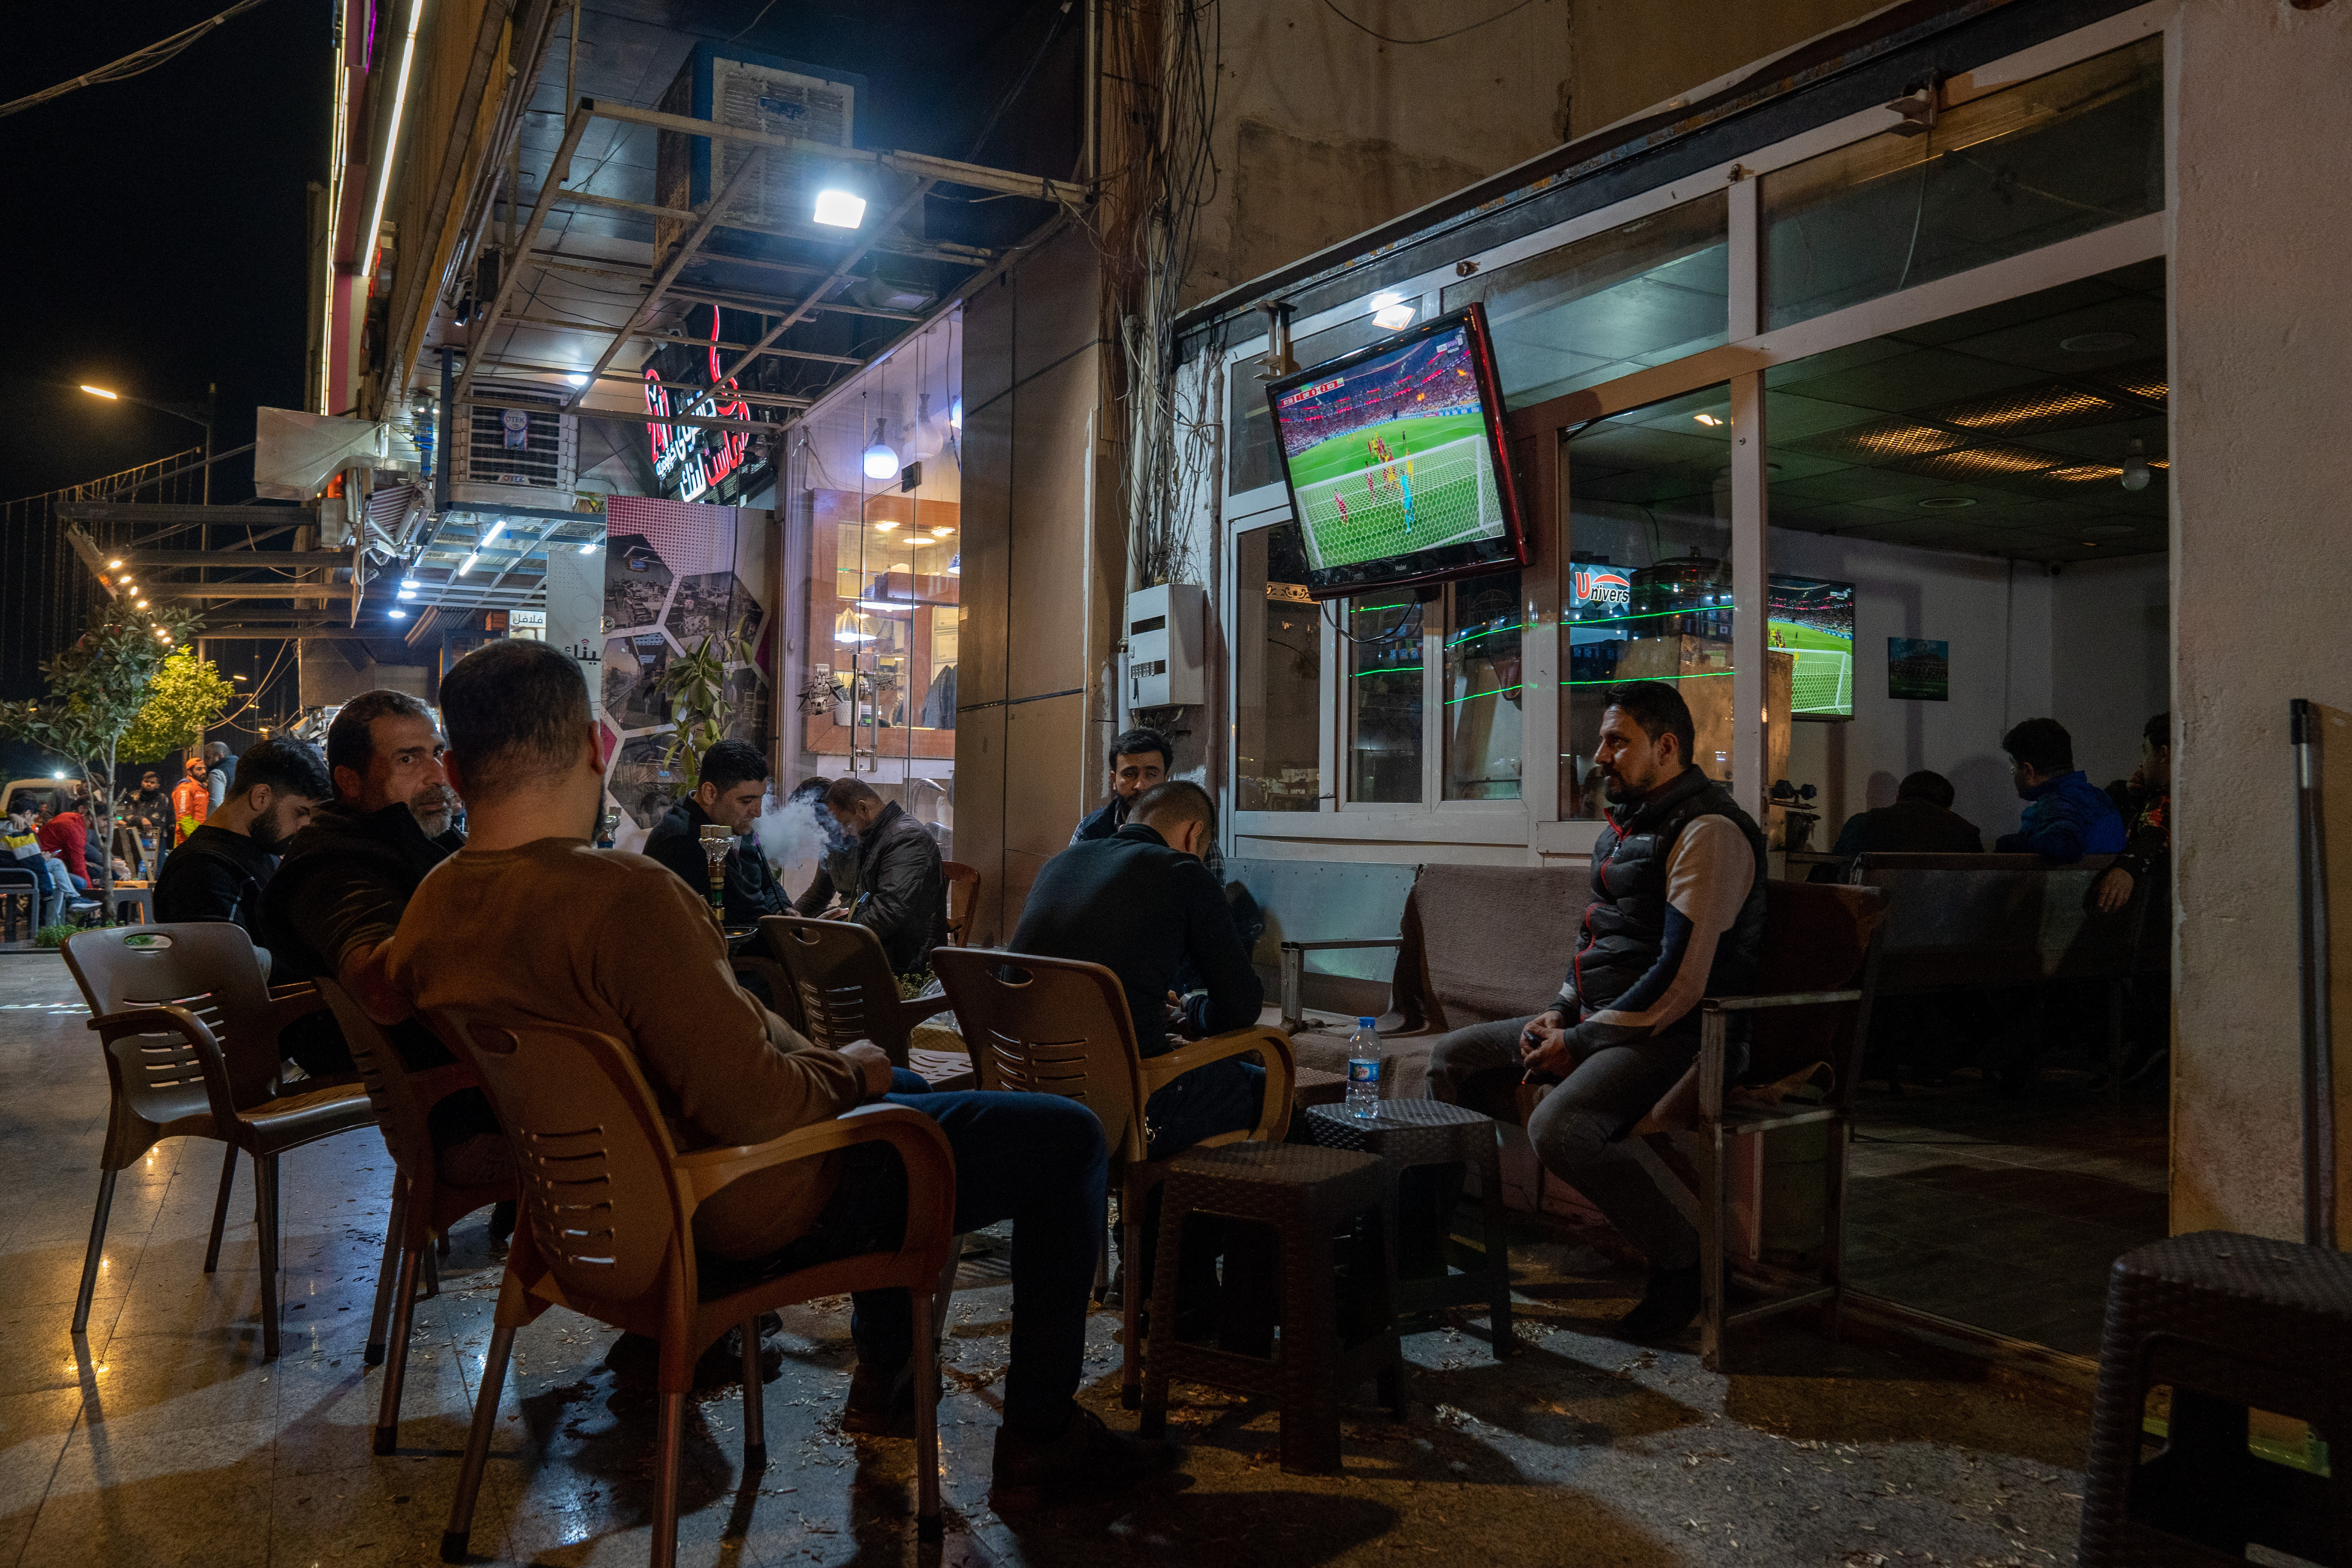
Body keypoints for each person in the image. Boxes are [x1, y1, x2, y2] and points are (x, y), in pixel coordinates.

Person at [385, 639, 1167, 1506]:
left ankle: (890, 1379)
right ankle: (1041, 1438)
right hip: (741, 1205)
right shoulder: (625, 897)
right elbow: (757, 1106)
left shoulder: (433, 907)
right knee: (1067, 1136)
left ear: (454, 770)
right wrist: (850, 1077)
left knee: (907, 1092)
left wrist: (852, 1074)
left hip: (592, 1219)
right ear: (594, 749)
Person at [1427, 681, 1768, 1340]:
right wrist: (1560, 1011)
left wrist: (1579, 1044)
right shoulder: (1625, 829)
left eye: (1617, 741)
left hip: (1689, 1035)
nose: (1600, 755)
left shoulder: (1709, 831)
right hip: (1604, 1022)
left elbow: (1682, 981)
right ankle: (1424, 1240)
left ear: (1666, 747)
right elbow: (1594, 939)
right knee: (1451, 1058)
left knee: (1560, 1127)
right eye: (1602, 740)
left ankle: (1688, 1262)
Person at [257, 690, 467, 1078]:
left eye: (437, 753)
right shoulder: (331, 862)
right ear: (350, 781)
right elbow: (380, 992)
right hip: (434, 1092)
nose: (438, 776)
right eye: (407, 759)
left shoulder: (414, 839)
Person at [154, 737, 333, 947]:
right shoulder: (202, 868)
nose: (304, 826)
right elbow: (226, 961)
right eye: (301, 812)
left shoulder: (264, 850)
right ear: (261, 796)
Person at [642, 738, 788, 923]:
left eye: (761, 798)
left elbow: (768, 885)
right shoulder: (681, 842)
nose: (757, 813)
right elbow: (738, 917)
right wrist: (782, 930)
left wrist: (783, 910)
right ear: (710, 793)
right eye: (746, 801)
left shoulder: (733, 824)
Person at [822, 778, 946, 975]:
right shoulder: (877, 836)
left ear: (862, 808)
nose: (844, 834)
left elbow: (887, 913)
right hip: (886, 954)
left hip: (906, 965)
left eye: (845, 824)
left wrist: (835, 942)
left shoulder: (906, 839)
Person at [1070, 727, 1225, 882]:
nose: (1140, 785)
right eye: (1130, 774)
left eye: (1152, 775)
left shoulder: (1189, 831)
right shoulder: (1091, 829)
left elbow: (1212, 891)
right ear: (1114, 780)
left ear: (1165, 779)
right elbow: (1071, 885)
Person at [1994, 718, 2125, 863]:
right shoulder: (2097, 796)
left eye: (2013, 765)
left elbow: (2064, 845)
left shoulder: (2059, 802)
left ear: (2028, 771)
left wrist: (2008, 844)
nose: (2013, 772)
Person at [2097, 712, 2170, 915]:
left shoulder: (2165, 801)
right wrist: (2130, 796)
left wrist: (2126, 868)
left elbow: (2156, 833)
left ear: (2164, 754)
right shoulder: (2153, 797)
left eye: (2146, 752)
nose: (2141, 764)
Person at [1828, 770, 1982, 855]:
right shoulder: (1966, 833)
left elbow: (1834, 872)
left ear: (1897, 798)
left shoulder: (1860, 823)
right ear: (1949, 808)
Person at [788, 776, 860, 916]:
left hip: (858, 917)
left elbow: (865, 901)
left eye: (814, 822)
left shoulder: (862, 839)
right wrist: (791, 916)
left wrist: (827, 920)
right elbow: (819, 894)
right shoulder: (830, 841)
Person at [170, 755, 210, 849]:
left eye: (204, 768)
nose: (204, 772)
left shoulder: (203, 787)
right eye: (199, 769)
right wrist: (194, 838)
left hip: (201, 837)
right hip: (188, 841)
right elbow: (183, 817)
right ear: (190, 772)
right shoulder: (185, 788)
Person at [203, 740, 238, 811]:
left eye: (208, 758)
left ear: (220, 756)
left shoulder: (217, 773)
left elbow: (216, 805)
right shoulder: (241, 766)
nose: (205, 762)